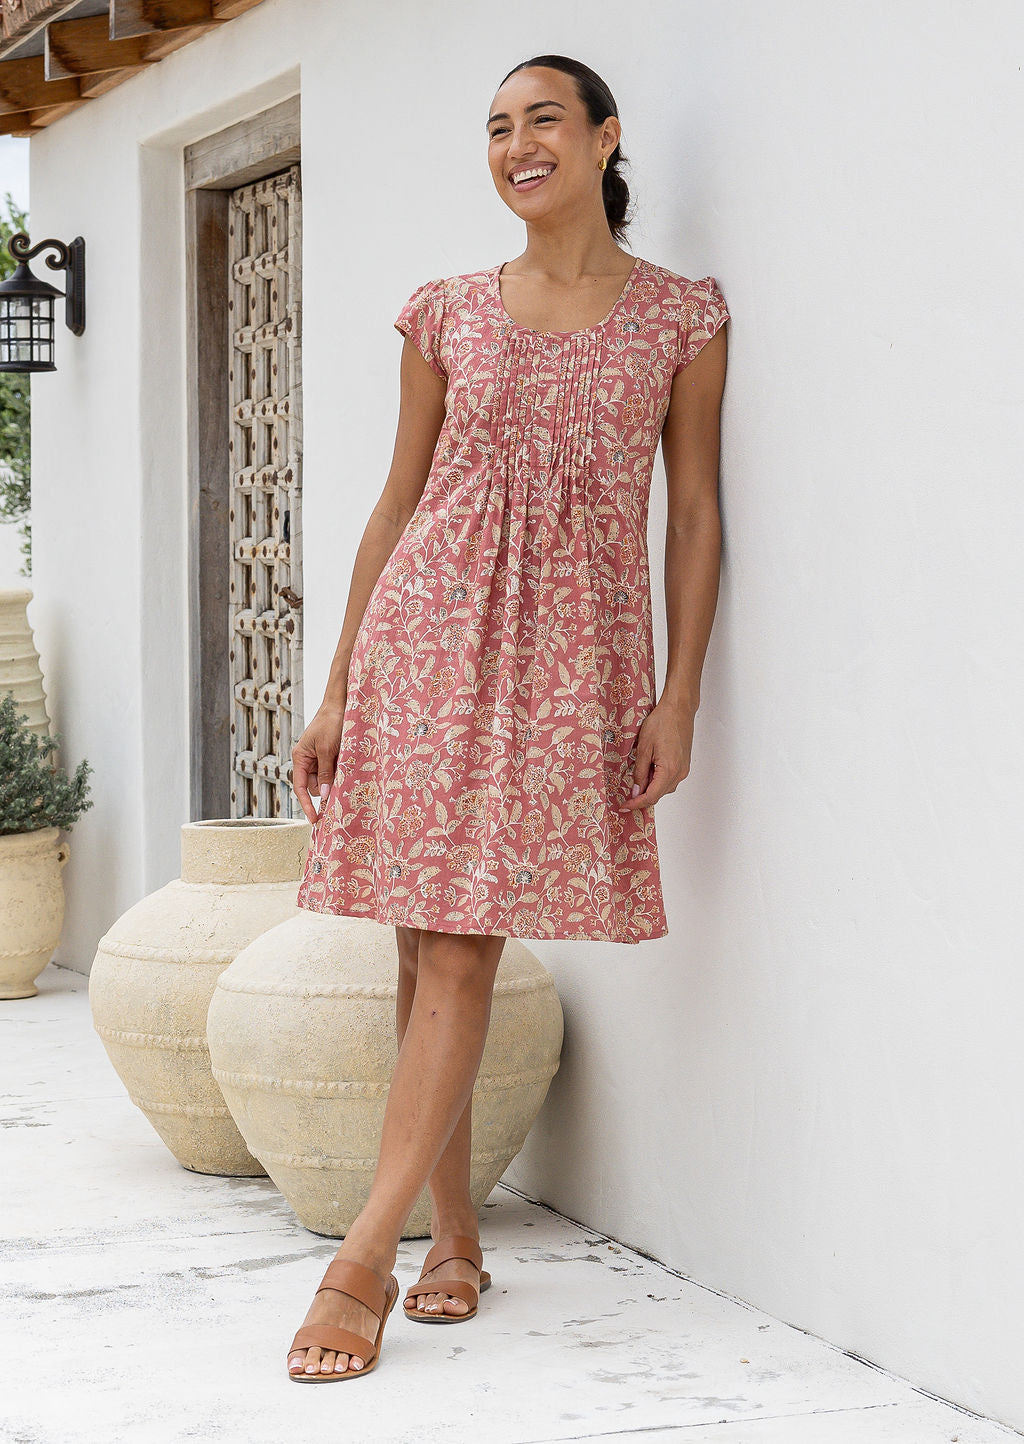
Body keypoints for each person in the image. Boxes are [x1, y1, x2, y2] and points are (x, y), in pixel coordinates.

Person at [285, 53, 730, 1381]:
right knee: (432, 947)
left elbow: (695, 516)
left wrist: (681, 693)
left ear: (604, 139)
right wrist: (340, 682)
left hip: (572, 662)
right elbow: (397, 501)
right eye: (496, 127)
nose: (518, 144)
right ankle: (427, 1241)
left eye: (543, 120)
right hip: (428, 639)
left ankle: (382, 1251)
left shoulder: (681, 319)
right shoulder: (447, 314)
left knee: (458, 950)